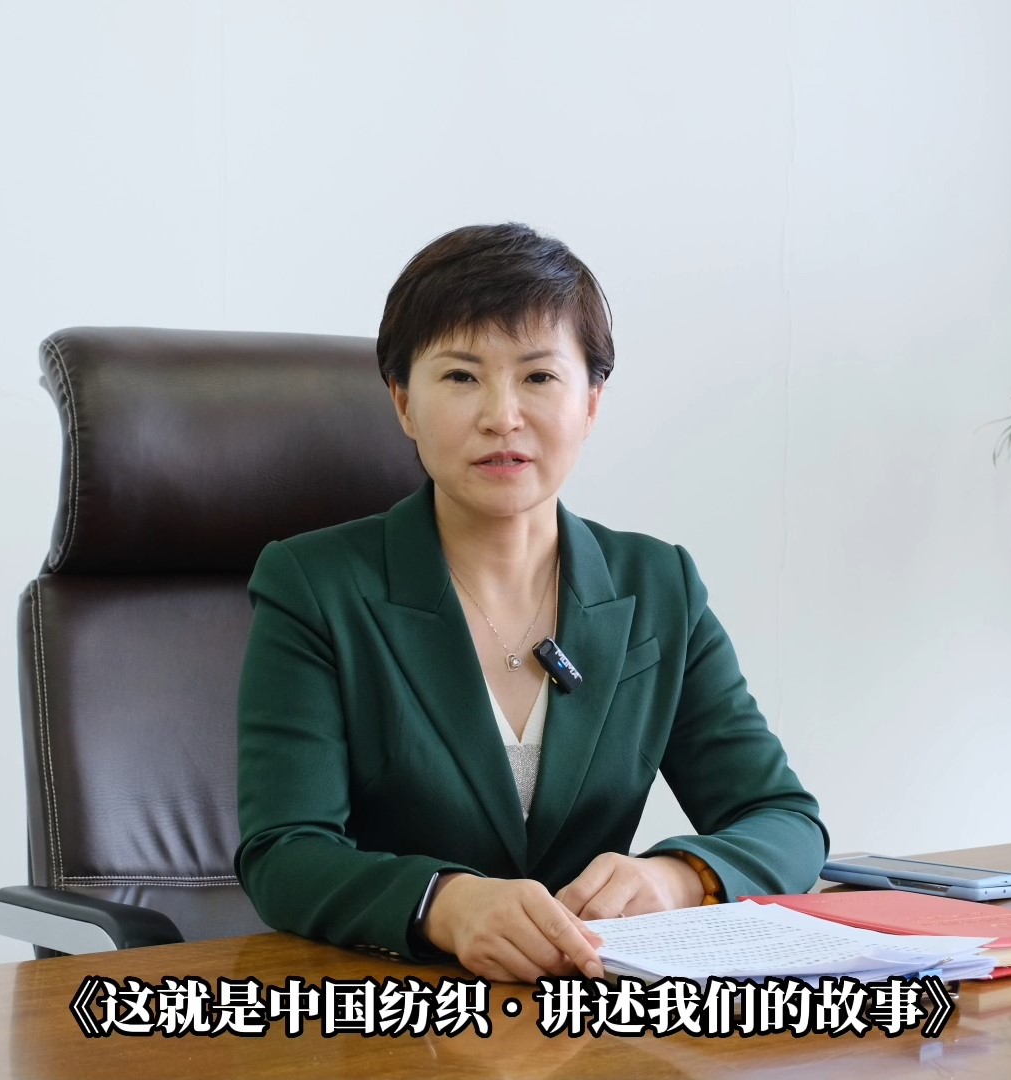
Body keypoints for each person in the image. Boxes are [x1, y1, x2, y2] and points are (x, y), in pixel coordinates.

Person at [233, 222, 828, 983]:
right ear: (403, 402)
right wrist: (445, 905)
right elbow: (285, 851)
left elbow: (785, 820)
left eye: (539, 377)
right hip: (395, 1011)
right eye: (461, 377)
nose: (502, 416)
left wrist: (679, 879)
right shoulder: (314, 586)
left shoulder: (658, 588)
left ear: (591, 403)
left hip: (596, 1011)